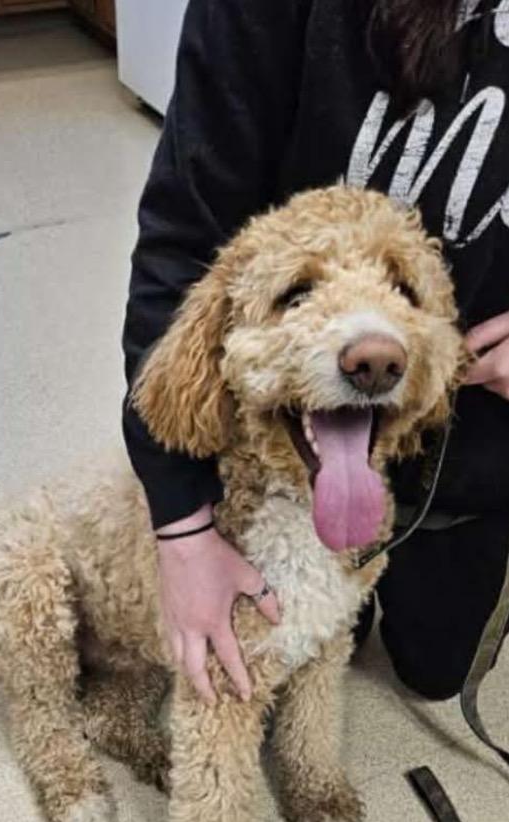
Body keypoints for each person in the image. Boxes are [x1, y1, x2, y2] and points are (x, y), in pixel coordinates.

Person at [123, 0, 509, 705]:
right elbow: (180, 247)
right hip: (277, 447)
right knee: (244, 682)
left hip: (476, 435)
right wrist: (181, 528)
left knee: (435, 676)